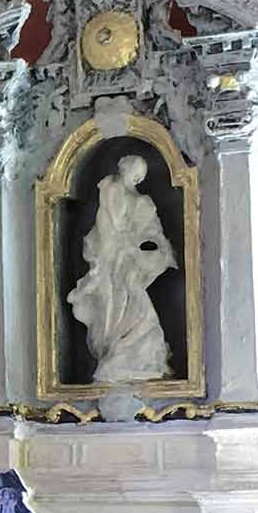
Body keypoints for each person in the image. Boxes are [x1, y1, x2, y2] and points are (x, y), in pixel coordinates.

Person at [67, 154, 176, 383]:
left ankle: (141, 359)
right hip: (109, 259)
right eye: (131, 168)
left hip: (129, 261)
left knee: (137, 303)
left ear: (139, 177)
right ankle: (115, 355)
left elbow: (152, 231)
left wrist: (158, 247)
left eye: (137, 172)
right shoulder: (110, 188)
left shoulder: (143, 202)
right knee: (111, 304)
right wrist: (114, 248)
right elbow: (105, 225)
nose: (132, 174)